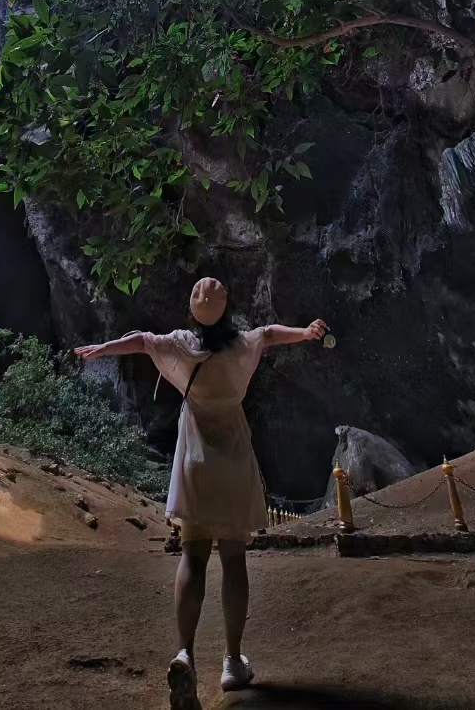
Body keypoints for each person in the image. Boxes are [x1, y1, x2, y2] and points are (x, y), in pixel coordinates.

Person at [75, 277, 328, 709]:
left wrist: (104, 347)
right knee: (233, 559)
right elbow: (267, 334)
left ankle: (185, 653)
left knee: (193, 556)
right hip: (233, 462)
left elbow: (140, 342)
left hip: (194, 461)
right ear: (226, 307)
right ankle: (232, 662)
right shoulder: (239, 348)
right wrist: (305, 333)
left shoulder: (179, 346)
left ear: (192, 312)